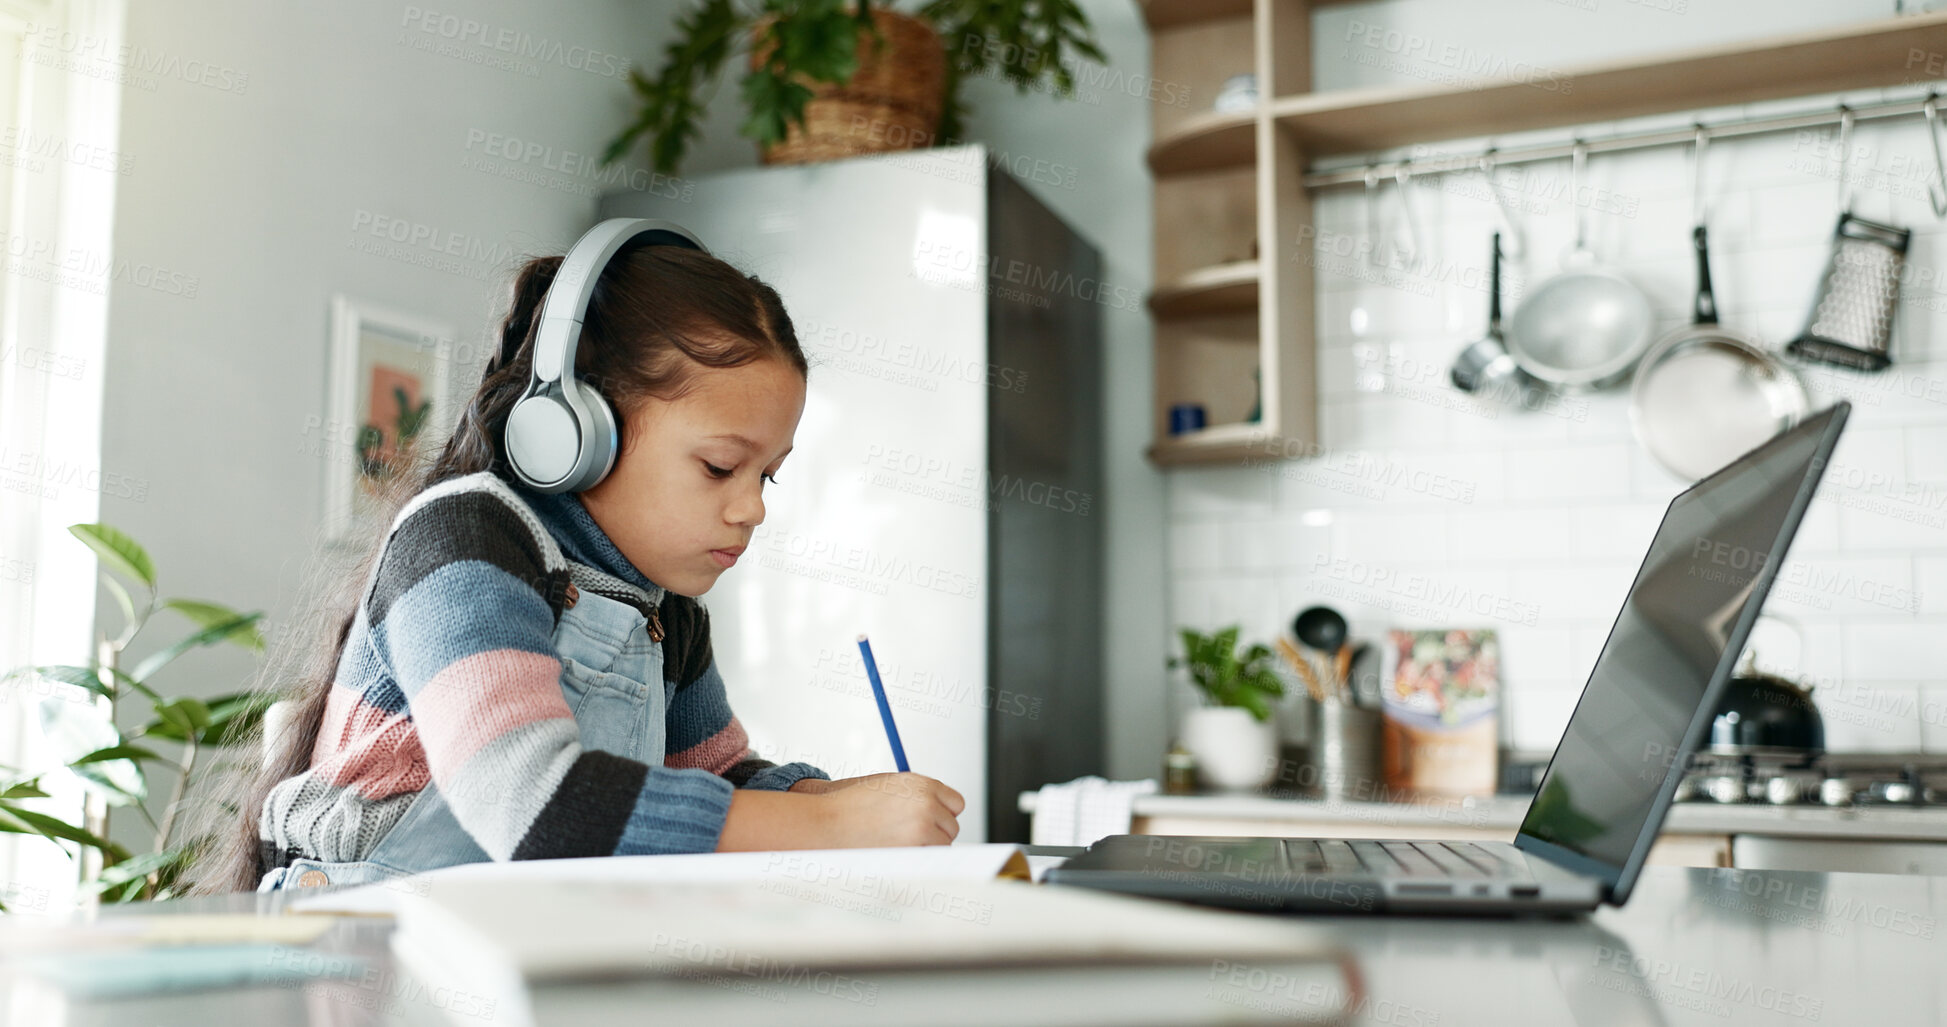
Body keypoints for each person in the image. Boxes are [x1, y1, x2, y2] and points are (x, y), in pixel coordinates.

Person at [191, 232, 964, 894]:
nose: (752, 508)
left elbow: (719, 782)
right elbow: (531, 804)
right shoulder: (465, 542)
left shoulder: (666, 611)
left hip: (511, 939)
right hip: (364, 953)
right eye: (719, 466)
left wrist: (828, 796)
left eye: (767, 475)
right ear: (574, 427)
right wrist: (824, 823)